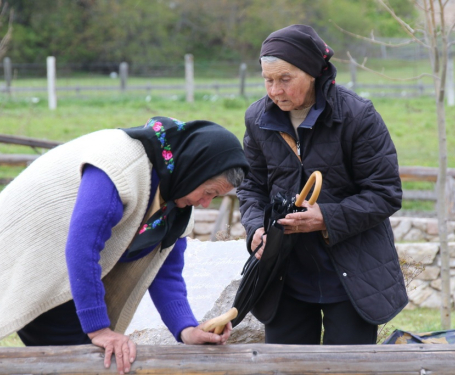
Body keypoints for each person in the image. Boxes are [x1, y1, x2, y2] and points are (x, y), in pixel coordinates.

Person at [0, 116, 249, 374]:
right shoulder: (121, 167)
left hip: (67, 268)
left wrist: (186, 328)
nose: (206, 203)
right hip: (30, 251)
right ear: (196, 169)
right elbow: (82, 247)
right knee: (79, 359)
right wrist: (99, 329)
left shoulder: (179, 200)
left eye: (215, 197)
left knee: (85, 360)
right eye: (208, 192)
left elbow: (165, 270)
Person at [237, 25, 408, 345]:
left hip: (350, 273)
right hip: (284, 271)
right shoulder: (257, 118)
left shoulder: (357, 116)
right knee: (284, 369)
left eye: (285, 79)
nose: (274, 91)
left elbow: (386, 192)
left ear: (314, 72)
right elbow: (251, 187)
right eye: (268, 80)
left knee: (348, 369)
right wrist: (254, 230)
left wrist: (325, 218)